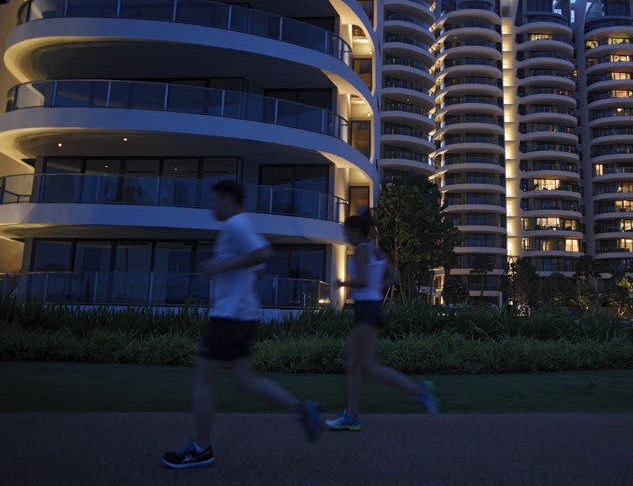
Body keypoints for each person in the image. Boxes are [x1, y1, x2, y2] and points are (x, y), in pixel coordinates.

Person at [162, 180, 321, 469]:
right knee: (244, 379)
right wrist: (237, 268)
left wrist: (221, 266)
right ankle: (300, 409)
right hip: (243, 316)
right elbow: (259, 269)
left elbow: (264, 254)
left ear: (227, 200)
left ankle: (201, 448)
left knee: (204, 382)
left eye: (215, 200)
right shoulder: (241, 226)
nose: (211, 206)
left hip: (228, 317)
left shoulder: (236, 224)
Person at [325, 211, 438, 431]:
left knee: (366, 366)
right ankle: (352, 415)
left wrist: (343, 283)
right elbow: (394, 277)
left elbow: (363, 279)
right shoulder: (377, 251)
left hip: (366, 309)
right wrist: (375, 287)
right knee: (356, 365)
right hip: (372, 307)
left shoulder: (361, 251)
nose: (347, 237)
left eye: (348, 232)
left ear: (357, 231)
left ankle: (419, 391)